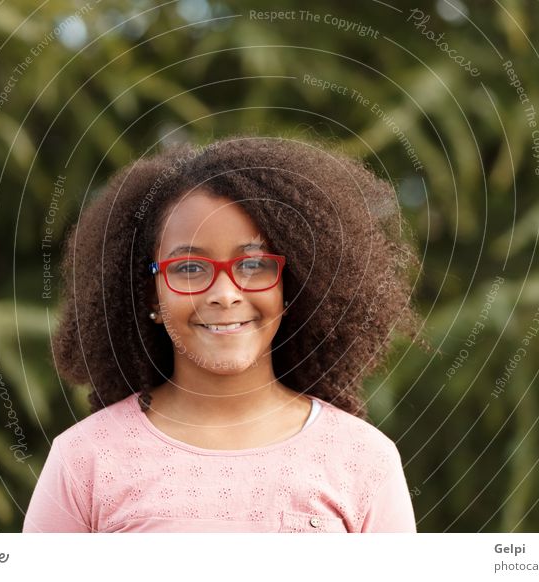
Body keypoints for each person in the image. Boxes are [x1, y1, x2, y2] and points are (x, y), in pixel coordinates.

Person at [23, 135, 424, 532]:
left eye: (253, 265)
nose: (224, 294)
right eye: (189, 269)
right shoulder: (85, 460)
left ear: (292, 285)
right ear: (151, 293)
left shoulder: (363, 460)